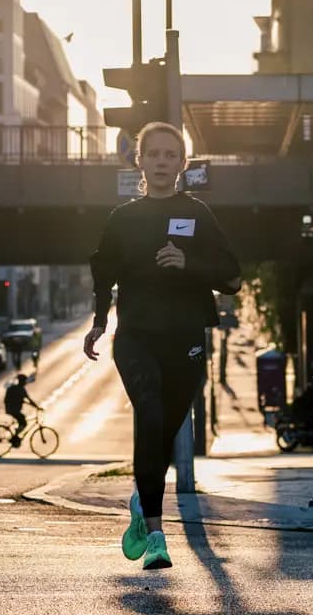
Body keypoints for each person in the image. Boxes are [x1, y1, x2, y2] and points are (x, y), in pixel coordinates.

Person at [84, 121, 241, 570]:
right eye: (153, 154)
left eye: (170, 155)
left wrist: (188, 263)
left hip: (186, 339)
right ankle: (156, 534)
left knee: (164, 436)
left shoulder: (197, 214)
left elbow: (231, 276)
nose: (161, 162)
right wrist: (98, 324)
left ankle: (141, 496)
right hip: (135, 338)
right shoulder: (123, 219)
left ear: (182, 164)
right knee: (149, 415)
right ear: (140, 161)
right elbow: (103, 275)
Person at [3, 371, 40, 446]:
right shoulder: (20, 389)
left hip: (11, 409)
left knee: (22, 420)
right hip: (13, 410)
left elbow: (25, 400)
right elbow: (28, 400)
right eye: (24, 381)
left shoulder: (14, 388)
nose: (25, 383)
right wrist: (37, 407)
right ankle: (15, 438)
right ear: (22, 381)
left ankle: (16, 435)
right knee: (23, 422)